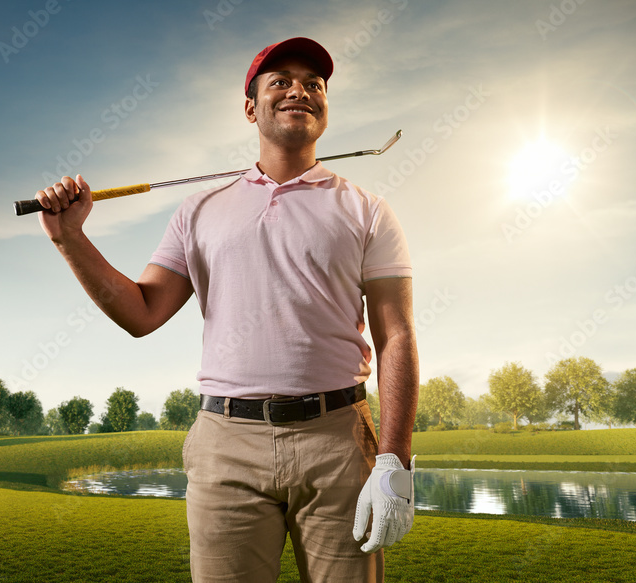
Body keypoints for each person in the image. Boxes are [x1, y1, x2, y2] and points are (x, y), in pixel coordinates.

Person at [34, 37, 418, 583]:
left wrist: (394, 461)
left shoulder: (368, 211)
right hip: (226, 442)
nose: (299, 91)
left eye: (314, 84)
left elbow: (396, 337)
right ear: (250, 108)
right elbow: (142, 313)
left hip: (338, 441)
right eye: (280, 81)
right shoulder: (199, 210)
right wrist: (70, 238)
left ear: (325, 107)